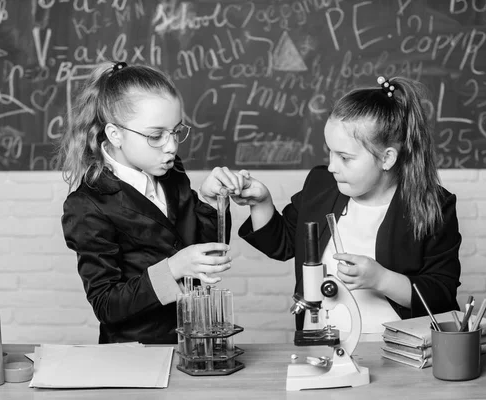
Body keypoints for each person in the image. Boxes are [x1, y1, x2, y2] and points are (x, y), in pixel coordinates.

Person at [228, 76, 462, 339]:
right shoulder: (321, 185)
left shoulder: (434, 206)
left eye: (345, 157)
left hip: (398, 350)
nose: (331, 166)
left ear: (387, 158)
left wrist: (380, 279)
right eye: (330, 152)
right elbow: (283, 244)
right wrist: (262, 203)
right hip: (322, 343)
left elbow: (441, 296)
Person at [58, 61, 241, 344]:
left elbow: (201, 255)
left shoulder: (170, 172)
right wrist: (173, 269)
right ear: (115, 134)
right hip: (136, 357)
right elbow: (107, 305)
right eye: (156, 136)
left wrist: (208, 201)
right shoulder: (87, 206)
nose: (171, 146)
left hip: (192, 342)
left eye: (176, 132)